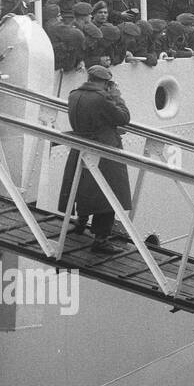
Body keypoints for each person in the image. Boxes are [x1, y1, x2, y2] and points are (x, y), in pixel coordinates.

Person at [59, 65, 132, 251]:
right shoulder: (103, 98)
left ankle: (80, 222)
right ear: (105, 82)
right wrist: (117, 96)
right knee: (108, 193)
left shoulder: (74, 94)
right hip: (104, 149)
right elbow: (123, 117)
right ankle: (101, 240)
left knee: (82, 185)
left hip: (81, 146)